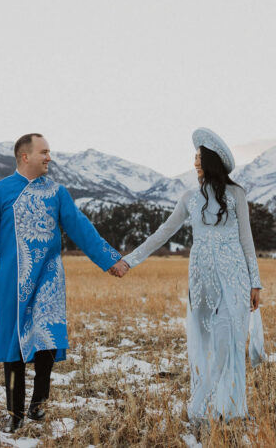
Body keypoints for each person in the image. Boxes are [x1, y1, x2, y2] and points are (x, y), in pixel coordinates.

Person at [0, 133, 124, 433]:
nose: (49, 157)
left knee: (47, 339)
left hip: (49, 278)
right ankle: (14, 413)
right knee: (10, 349)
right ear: (25, 156)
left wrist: (110, 260)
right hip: (10, 280)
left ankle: (39, 403)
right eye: (44, 152)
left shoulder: (57, 193)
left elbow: (81, 229)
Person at [111, 127, 262, 423]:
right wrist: (129, 261)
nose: (194, 162)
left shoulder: (236, 195)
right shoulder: (189, 199)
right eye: (194, 157)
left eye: (199, 157)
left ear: (211, 161)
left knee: (227, 344)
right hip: (202, 283)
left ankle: (219, 408)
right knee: (206, 345)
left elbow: (247, 239)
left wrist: (255, 282)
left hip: (235, 281)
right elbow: (162, 233)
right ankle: (206, 406)